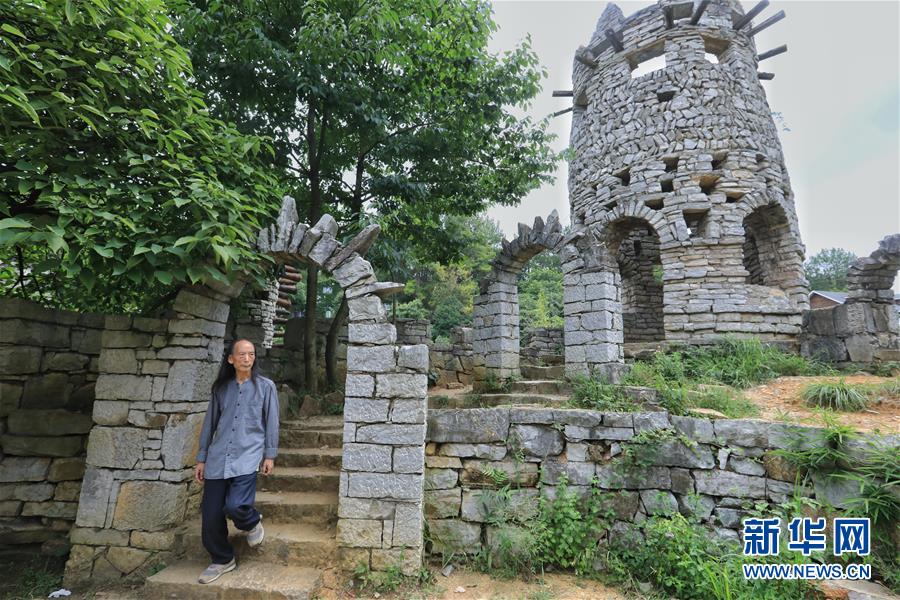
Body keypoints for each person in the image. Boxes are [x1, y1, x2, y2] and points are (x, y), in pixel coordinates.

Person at [193, 338, 279, 584]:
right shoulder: (220, 388)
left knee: (235, 506)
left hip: (248, 454)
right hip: (219, 457)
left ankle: (252, 523)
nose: (247, 358)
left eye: (251, 354)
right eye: (241, 354)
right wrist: (202, 458)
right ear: (231, 359)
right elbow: (210, 423)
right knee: (210, 515)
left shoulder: (266, 387)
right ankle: (222, 559)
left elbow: (271, 422)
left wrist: (269, 455)